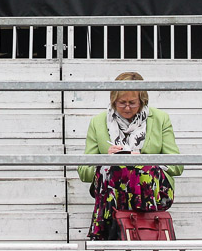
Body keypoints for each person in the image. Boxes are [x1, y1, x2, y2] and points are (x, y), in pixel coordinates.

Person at [77, 71, 183, 240]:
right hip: (114, 192)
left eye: (133, 103)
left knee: (132, 169)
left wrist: (141, 158)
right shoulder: (98, 122)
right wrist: (106, 158)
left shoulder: (160, 118)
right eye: (122, 103)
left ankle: (103, 234)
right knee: (112, 168)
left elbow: (177, 166)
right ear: (113, 101)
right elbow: (84, 172)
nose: (127, 108)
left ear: (143, 101)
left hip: (151, 191)